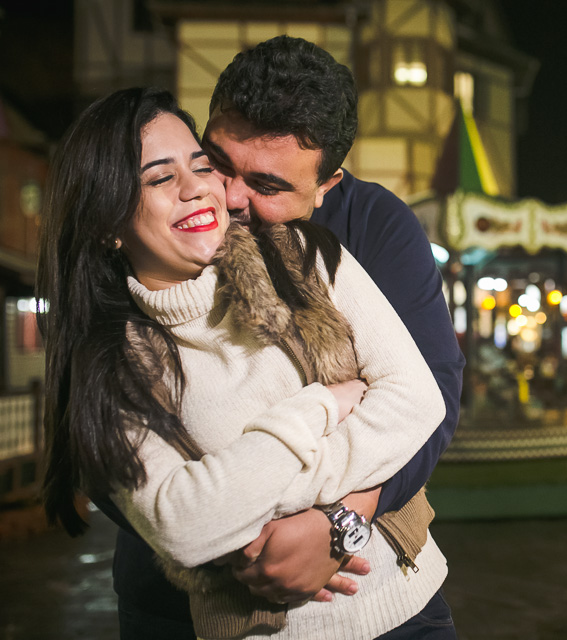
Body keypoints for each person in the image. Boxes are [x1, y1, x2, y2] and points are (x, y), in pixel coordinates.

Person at [38, 87, 449, 639]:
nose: (204, 191)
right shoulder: (113, 362)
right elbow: (183, 525)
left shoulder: (306, 255)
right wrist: (320, 406)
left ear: (326, 184)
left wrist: (307, 516)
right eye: (161, 178)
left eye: (199, 166)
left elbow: (420, 398)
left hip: (406, 612)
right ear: (107, 224)